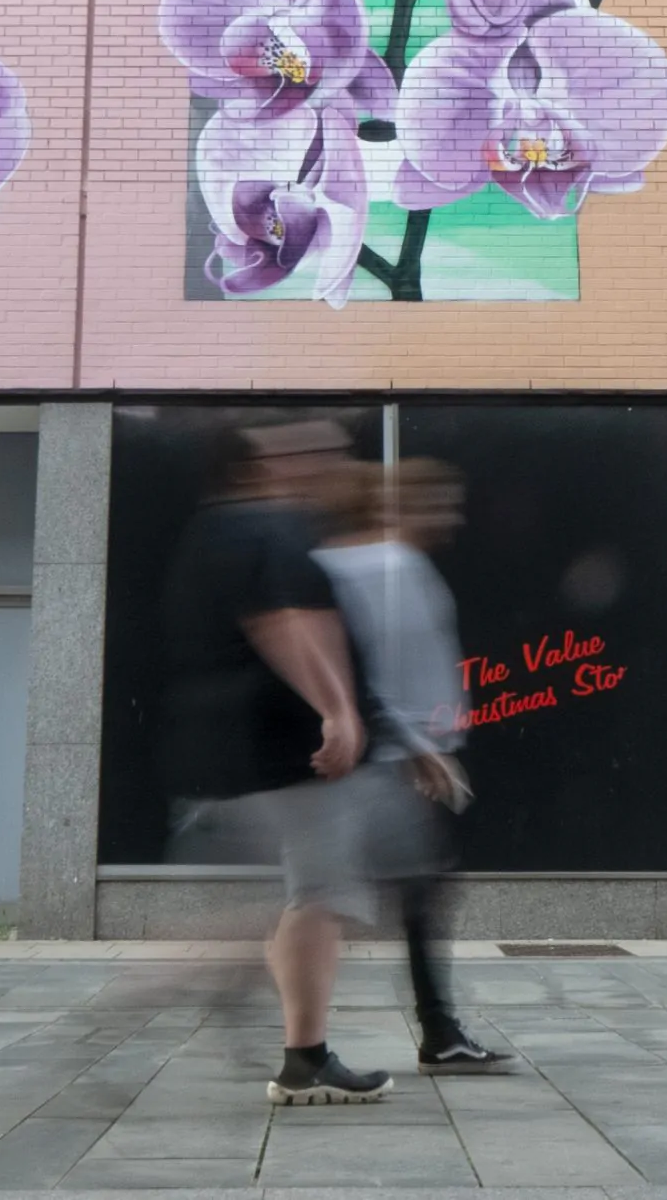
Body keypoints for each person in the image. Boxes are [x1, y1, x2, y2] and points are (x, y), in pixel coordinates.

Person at [160, 420, 389, 1105]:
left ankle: (292, 1042)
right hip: (286, 755)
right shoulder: (268, 529)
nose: (333, 463)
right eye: (319, 452)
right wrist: (338, 709)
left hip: (238, 750)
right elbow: (283, 622)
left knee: (300, 901)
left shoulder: (223, 528)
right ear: (271, 464)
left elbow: (296, 620)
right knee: (319, 897)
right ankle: (300, 1053)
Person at [313, 458, 510, 1075]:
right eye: (440, 503)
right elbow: (381, 671)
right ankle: (431, 1030)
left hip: (385, 755)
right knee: (340, 899)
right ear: (402, 506)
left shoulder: (350, 564)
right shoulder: (394, 567)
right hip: (389, 762)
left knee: (403, 893)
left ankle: (438, 1029)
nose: (451, 517)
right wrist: (425, 748)